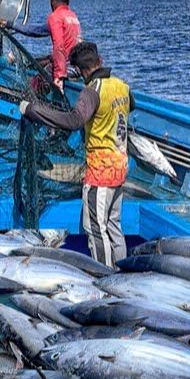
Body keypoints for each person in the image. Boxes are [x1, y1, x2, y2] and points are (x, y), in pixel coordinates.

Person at [20, 41, 133, 266]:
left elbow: (74, 120)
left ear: (81, 72)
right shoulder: (122, 85)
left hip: (101, 172)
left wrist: (33, 110)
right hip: (121, 166)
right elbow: (130, 106)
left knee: (96, 228)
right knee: (113, 224)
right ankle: (123, 272)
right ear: (99, 61)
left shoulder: (92, 91)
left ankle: (106, 277)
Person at [0, 0, 82, 91]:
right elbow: (37, 31)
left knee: (36, 81)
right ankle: (18, 61)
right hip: (77, 66)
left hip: (67, 68)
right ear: (68, 1)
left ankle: (26, 100)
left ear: (52, 0)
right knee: (43, 60)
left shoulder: (55, 17)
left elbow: (59, 46)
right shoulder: (71, 15)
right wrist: (10, 25)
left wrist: (59, 76)